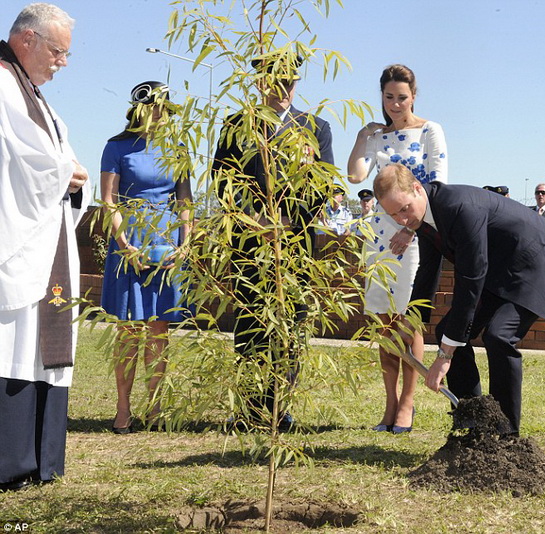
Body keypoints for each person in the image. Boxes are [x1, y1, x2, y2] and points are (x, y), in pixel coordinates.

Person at [373, 164, 545, 435]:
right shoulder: (424, 216)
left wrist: (445, 355)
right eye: (393, 215)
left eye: (404, 209)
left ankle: (506, 435)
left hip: (535, 259)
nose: (401, 220)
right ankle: (476, 424)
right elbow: (428, 270)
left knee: (499, 336)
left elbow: (470, 279)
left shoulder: (460, 208)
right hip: (499, 267)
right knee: (448, 331)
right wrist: (410, 323)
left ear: (417, 189)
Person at [213, 54, 334, 431]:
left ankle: (279, 405)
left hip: (295, 246)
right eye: (274, 82)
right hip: (250, 244)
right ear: (260, 83)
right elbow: (221, 180)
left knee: (290, 326)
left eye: (289, 83)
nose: (283, 90)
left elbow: (324, 185)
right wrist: (255, 219)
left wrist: (286, 220)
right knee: (251, 323)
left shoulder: (315, 127)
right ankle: (248, 408)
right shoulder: (237, 125)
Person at [0, 3, 89, 491]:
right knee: (13, 347)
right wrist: (63, 173)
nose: (64, 62)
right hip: (16, 238)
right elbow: (22, 163)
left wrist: (72, 177)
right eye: (58, 51)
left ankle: (41, 460)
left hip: (47, 237)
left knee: (41, 347)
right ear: (27, 40)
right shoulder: (2, 86)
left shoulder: (38, 99)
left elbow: (56, 159)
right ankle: (12, 463)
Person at [347, 64, 447, 434]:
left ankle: (407, 403)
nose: (395, 104)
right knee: (382, 323)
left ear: (413, 96)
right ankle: (389, 404)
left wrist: (410, 228)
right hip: (378, 238)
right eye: (388, 97)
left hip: (416, 235)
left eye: (402, 97)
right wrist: (362, 136)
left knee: (407, 319)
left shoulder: (430, 130)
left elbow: (437, 185)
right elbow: (356, 175)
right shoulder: (378, 136)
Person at [100, 81, 193, 434]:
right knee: (128, 329)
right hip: (130, 240)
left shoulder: (178, 148)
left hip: (166, 242)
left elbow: (184, 200)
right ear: (140, 109)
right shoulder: (116, 147)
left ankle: (155, 408)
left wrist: (185, 243)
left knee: (158, 328)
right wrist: (125, 245)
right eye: (155, 107)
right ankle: (123, 408)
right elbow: (109, 200)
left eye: (165, 108)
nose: (161, 114)